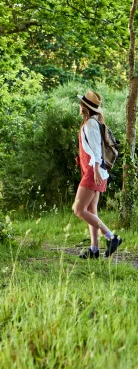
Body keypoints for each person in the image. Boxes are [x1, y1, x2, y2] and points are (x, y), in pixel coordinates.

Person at [72, 90, 121, 259]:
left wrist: (94, 170)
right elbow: (91, 149)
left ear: (85, 108)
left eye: (81, 104)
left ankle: (111, 237)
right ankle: (94, 250)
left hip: (95, 172)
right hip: (96, 171)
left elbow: (96, 151)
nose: (79, 106)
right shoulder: (92, 123)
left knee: (78, 209)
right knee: (91, 209)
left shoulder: (91, 125)